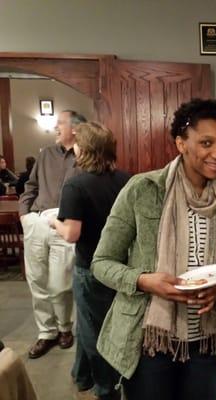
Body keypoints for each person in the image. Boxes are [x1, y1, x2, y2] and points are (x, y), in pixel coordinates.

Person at [91, 98, 216, 400]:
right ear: (181, 143)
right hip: (149, 341)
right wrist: (144, 280)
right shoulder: (142, 190)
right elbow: (101, 263)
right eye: (206, 143)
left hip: (205, 342)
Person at [51, 122, 129, 399]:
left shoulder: (75, 184)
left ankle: (107, 389)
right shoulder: (126, 180)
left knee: (94, 332)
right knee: (92, 323)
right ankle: (81, 375)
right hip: (120, 268)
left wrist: (53, 223)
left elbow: (71, 234)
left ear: (84, 149)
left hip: (90, 270)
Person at [18, 110, 87, 359]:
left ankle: (64, 328)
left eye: (60, 124)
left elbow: (88, 187)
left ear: (75, 129)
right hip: (37, 220)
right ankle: (46, 333)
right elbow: (31, 186)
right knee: (37, 280)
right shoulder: (45, 154)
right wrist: (25, 215)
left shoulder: (85, 158)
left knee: (60, 283)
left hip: (65, 223)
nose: (56, 128)